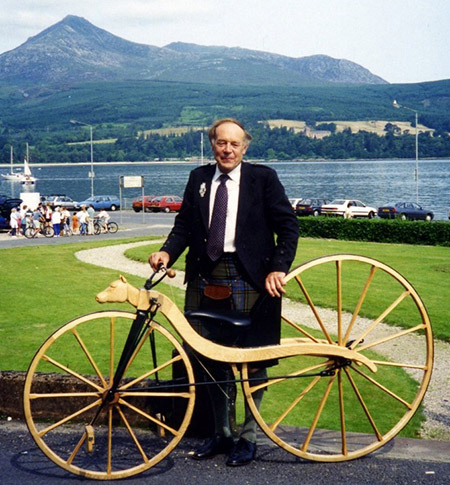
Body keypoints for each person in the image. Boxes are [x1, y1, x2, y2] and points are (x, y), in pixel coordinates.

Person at [149, 118, 299, 466]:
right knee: (210, 358)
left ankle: (249, 436)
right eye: (221, 143)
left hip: (252, 279)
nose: (227, 149)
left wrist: (278, 267)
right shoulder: (198, 178)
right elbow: (184, 225)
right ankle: (222, 433)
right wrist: (167, 252)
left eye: (234, 144)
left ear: (245, 147)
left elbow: (288, 227)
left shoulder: (263, 178)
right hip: (205, 276)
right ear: (212, 144)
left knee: (255, 361)